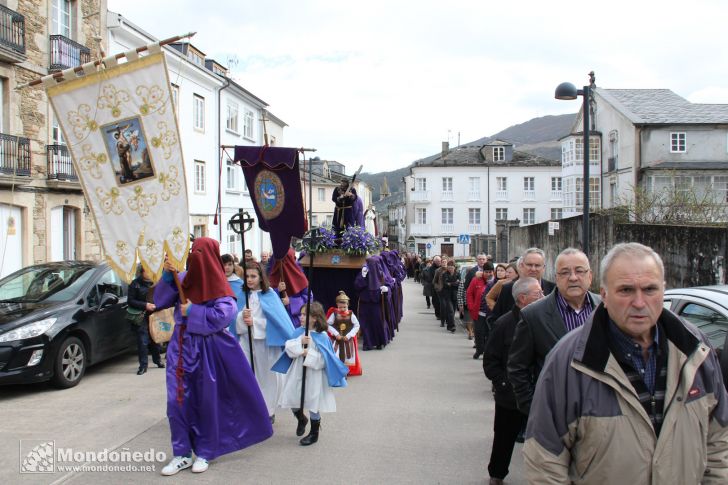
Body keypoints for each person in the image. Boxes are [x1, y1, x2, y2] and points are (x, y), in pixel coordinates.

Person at [523, 242, 728, 484]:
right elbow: (545, 462)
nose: (639, 302)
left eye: (650, 289)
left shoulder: (696, 350)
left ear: (663, 291)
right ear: (605, 296)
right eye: (626, 290)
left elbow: (718, 444)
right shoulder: (567, 361)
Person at [154, 237, 272, 476]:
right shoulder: (183, 277)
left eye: (200, 253)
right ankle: (182, 453)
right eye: (192, 252)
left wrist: (194, 311)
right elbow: (160, 300)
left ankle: (206, 451)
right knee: (177, 402)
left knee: (207, 401)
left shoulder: (219, 283)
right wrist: (168, 276)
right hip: (180, 347)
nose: (194, 257)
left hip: (208, 350)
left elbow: (224, 315)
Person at [507, 248, 600, 415]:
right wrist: (534, 408)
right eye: (564, 273)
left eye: (579, 271)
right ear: (556, 278)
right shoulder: (533, 315)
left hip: (600, 413)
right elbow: (517, 368)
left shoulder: (606, 310)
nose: (573, 277)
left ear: (590, 276)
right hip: (553, 414)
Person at [483, 277, 544, 485]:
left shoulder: (543, 320)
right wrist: (504, 384)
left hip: (539, 392)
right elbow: (490, 362)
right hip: (510, 396)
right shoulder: (504, 324)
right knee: (504, 438)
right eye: (538, 294)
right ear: (522, 298)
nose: (543, 297)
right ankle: (497, 475)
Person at [273, 302, 349, 446]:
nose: (300, 317)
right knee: (291, 398)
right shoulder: (298, 332)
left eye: (304, 315)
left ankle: (314, 433)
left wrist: (309, 353)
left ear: (314, 318)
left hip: (314, 375)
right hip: (297, 372)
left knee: (313, 402)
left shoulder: (323, 336)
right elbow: (288, 348)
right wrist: (300, 344)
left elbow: (325, 360)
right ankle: (301, 418)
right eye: (300, 314)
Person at [233, 262, 296, 423]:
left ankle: (268, 410)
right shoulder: (242, 295)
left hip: (265, 344)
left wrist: (254, 321)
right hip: (246, 343)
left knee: (267, 378)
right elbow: (233, 322)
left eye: (253, 276)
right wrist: (241, 317)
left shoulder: (270, 296)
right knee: (246, 376)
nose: (249, 280)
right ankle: (249, 409)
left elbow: (278, 323)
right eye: (247, 276)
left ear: (261, 278)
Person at [490, 248, 555, 323]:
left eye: (537, 265)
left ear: (543, 268)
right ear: (522, 265)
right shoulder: (508, 289)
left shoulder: (553, 289)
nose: (533, 269)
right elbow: (494, 319)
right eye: (529, 265)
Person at [127, 263, 163, 375]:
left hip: (154, 314)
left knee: (155, 339)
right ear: (141, 272)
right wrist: (145, 305)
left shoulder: (156, 282)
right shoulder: (135, 284)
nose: (149, 273)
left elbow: (162, 296)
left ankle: (157, 361)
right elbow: (130, 301)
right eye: (147, 270)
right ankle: (143, 366)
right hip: (141, 315)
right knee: (142, 340)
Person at [355, 255, 393, 350]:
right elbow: (357, 286)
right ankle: (368, 343)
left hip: (377, 303)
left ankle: (380, 342)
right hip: (365, 302)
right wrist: (362, 277)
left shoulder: (381, 275)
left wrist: (386, 289)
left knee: (378, 322)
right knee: (366, 324)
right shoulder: (364, 273)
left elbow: (389, 284)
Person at [326, 291, 362, 376]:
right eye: (340, 307)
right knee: (336, 355)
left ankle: (345, 371)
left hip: (347, 340)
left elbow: (357, 325)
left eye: (344, 307)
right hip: (337, 340)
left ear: (348, 305)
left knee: (347, 356)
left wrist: (349, 335)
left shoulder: (351, 314)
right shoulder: (334, 314)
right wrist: (336, 334)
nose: (342, 309)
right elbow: (327, 325)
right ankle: (338, 371)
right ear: (337, 305)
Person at [467, 261, 495, 358]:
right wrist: (471, 306)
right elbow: (469, 293)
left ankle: (487, 352)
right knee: (478, 333)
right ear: (483, 272)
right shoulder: (476, 280)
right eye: (486, 272)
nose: (488, 274)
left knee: (489, 333)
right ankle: (479, 350)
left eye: (490, 272)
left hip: (491, 313)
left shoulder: (496, 282)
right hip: (479, 312)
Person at [440, 260, 460, 333]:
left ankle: (449, 324)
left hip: (455, 294)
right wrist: (454, 283)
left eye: (452, 267)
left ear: (454, 267)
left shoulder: (458, 274)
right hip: (447, 295)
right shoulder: (444, 274)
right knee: (451, 311)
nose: (450, 269)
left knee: (453, 311)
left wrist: (450, 284)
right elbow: (445, 284)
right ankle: (452, 326)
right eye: (449, 267)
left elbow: (459, 284)